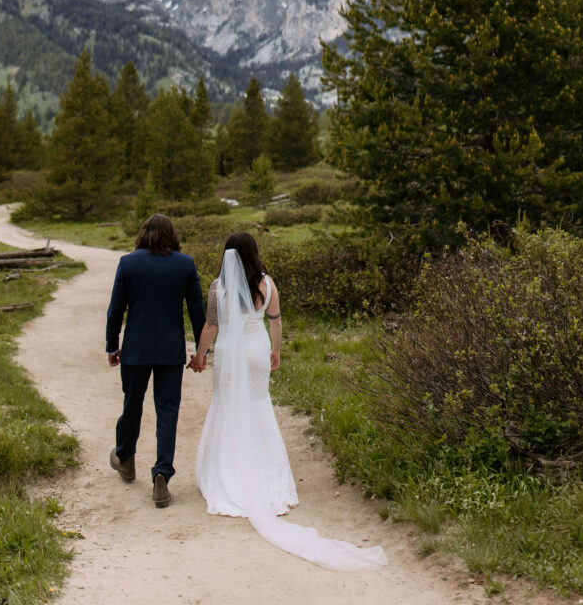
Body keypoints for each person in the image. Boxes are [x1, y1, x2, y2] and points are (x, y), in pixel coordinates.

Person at [189, 232, 387, 571]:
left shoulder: (217, 287)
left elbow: (211, 325)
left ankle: (228, 475)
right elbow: (276, 321)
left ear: (228, 257)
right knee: (258, 404)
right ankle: (265, 477)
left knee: (226, 407)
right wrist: (276, 350)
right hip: (255, 350)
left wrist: (200, 354)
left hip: (230, 354)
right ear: (254, 254)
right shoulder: (267, 284)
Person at [105, 213, 205, 508]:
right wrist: (202, 350)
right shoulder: (184, 264)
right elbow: (197, 309)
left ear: (143, 233)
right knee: (168, 411)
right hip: (169, 350)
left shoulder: (128, 263)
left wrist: (112, 345)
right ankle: (162, 475)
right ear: (171, 235)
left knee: (132, 404)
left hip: (135, 348)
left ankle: (125, 457)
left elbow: (115, 310)